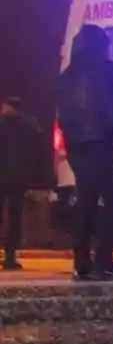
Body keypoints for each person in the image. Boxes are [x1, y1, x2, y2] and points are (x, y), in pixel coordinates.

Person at [54, 25, 113, 281]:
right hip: (104, 144)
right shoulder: (105, 70)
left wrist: (69, 146)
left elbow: (64, 118)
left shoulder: (65, 77)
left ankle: (82, 264)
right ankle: (104, 260)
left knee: (85, 202)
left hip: (77, 147)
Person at [0, 96, 43, 271]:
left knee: (12, 218)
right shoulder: (31, 125)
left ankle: (10, 257)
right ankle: (10, 257)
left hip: (5, 176)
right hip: (19, 178)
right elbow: (38, 152)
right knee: (15, 218)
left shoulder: (2, 124)